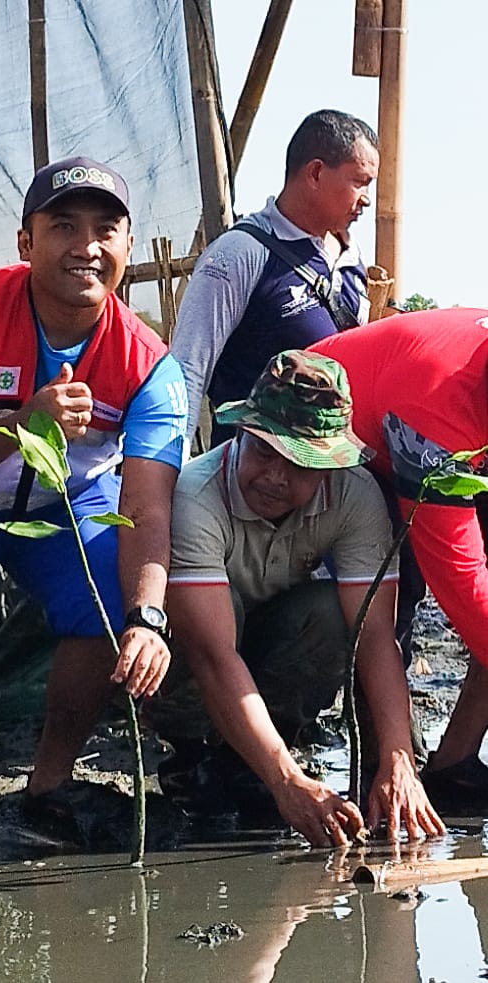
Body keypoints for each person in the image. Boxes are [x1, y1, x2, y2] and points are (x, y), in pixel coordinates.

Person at [0, 156, 185, 846]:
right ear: (26, 242)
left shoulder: (150, 365)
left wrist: (147, 617)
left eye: (105, 230)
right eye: (63, 227)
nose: (86, 246)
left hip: (66, 502)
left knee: (110, 600)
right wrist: (23, 423)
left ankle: (51, 778)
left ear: (128, 245)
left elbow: (146, 507)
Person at [154, 351, 443, 846]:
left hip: (270, 636)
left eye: (299, 464)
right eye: (264, 452)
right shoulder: (195, 496)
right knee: (215, 621)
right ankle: (190, 758)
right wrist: (287, 780)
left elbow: (376, 637)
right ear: (241, 433)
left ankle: (253, 758)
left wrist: (399, 761)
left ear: (329, 467)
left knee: (335, 615)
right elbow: (213, 656)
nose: (275, 477)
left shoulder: (356, 497)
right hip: (199, 653)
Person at [312, 308, 488, 806]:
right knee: (391, 598)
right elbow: (462, 580)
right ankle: (382, 769)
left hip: (455, 434)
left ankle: (454, 764)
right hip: (337, 443)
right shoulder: (435, 405)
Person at [173, 110, 378, 445]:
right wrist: (168, 466)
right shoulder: (240, 253)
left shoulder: (351, 258)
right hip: (255, 468)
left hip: (334, 465)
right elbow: (188, 369)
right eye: (360, 181)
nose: (367, 199)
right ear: (316, 173)